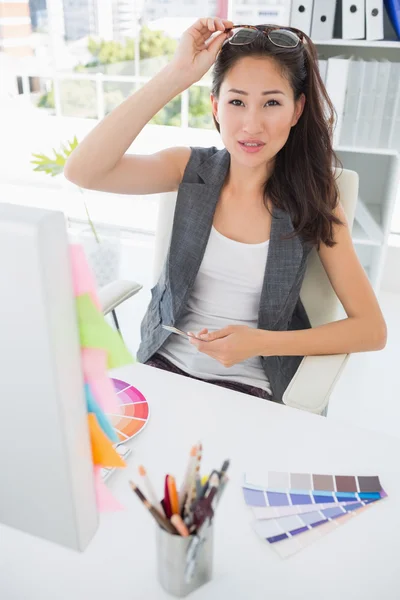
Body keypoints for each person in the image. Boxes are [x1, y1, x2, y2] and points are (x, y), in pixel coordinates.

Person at [64, 17, 387, 404]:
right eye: (237, 102)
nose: (252, 125)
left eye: (271, 102)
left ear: (297, 110)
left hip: (251, 388)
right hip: (161, 370)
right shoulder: (189, 170)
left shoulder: (314, 196)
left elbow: (371, 329)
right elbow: (83, 170)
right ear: (215, 106)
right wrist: (177, 74)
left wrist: (261, 343)